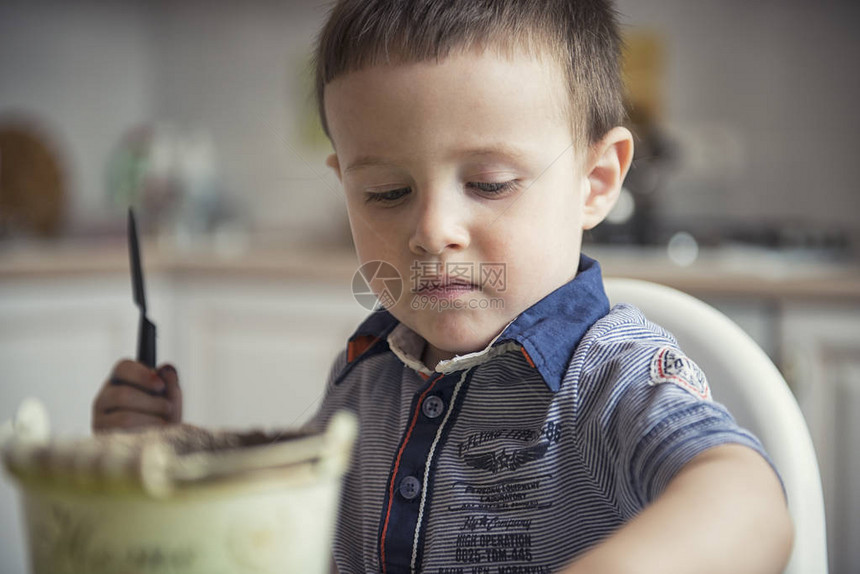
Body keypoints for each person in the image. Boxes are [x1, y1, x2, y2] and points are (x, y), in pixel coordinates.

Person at [92, 1, 794, 572]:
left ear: (597, 181)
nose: (432, 231)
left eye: (488, 184)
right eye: (388, 192)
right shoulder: (368, 371)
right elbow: (298, 503)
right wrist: (170, 452)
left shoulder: (612, 373)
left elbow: (747, 503)